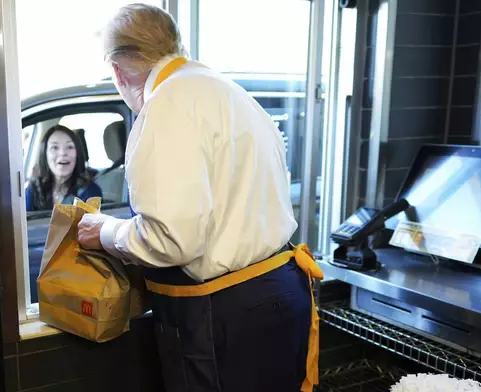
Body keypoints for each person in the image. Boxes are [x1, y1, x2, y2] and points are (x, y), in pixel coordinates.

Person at [77, 4, 323, 392]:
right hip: (282, 293)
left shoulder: (165, 108)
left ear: (117, 71)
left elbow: (171, 240)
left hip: (226, 315)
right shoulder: (229, 92)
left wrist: (106, 231)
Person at [25, 124, 102, 211]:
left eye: (69, 147)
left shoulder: (90, 191)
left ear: (77, 153)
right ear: (44, 154)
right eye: (54, 147)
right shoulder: (34, 189)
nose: (62, 153)